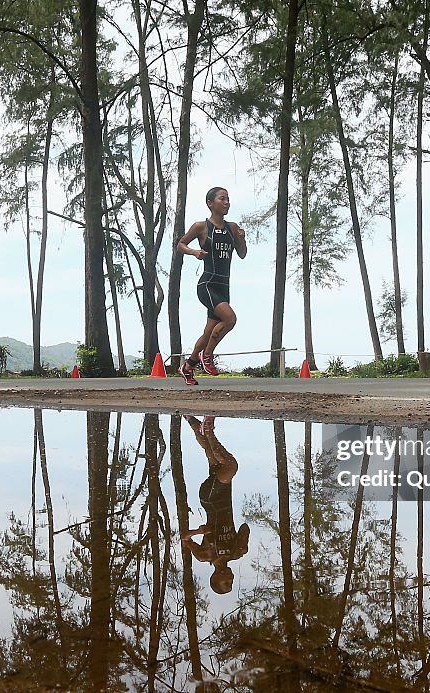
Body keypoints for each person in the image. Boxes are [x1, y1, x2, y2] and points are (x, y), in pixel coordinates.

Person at [176, 187, 247, 385]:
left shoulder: (232, 228)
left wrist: (241, 239)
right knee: (230, 319)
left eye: (228, 199)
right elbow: (180, 244)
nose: (227, 203)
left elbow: (242, 254)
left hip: (224, 285)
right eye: (222, 199)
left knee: (209, 332)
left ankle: (188, 366)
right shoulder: (201, 226)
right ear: (210, 203)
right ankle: (206, 356)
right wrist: (194, 252)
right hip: (207, 284)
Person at [181, 415, 250, 594]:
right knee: (213, 456)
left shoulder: (204, 556)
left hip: (210, 499)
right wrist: (243, 542)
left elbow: (185, 538)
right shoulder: (235, 553)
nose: (231, 580)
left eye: (226, 583)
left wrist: (200, 532)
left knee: (230, 466)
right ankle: (190, 419)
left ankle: (208, 429)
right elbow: (244, 527)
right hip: (225, 499)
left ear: (215, 579)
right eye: (231, 583)